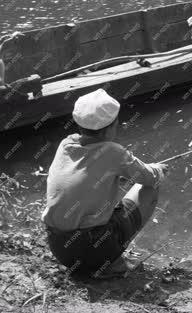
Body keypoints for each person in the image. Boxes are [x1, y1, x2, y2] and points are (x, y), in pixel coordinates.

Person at [42, 88, 168, 278]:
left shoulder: (66, 145)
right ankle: (111, 262)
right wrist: (158, 168)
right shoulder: (113, 151)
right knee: (149, 189)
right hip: (93, 249)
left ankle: (94, 261)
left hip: (59, 248)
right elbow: (149, 178)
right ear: (111, 127)